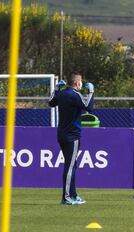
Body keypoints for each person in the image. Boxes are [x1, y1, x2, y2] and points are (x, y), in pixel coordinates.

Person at [49, 71, 94, 205]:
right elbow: (88, 107)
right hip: (72, 135)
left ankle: (73, 195)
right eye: (80, 81)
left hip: (62, 134)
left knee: (72, 165)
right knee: (70, 166)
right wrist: (91, 92)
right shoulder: (75, 95)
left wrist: (56, 89)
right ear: (76, 82)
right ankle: (67, 197)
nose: (81, 84)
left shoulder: (62, 93)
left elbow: (51, 103)